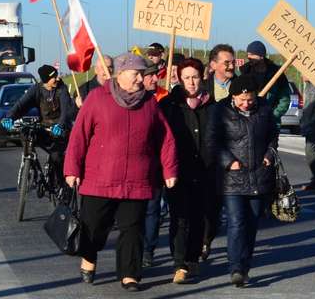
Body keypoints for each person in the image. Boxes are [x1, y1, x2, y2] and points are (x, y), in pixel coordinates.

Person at [64, 53, 178, 292]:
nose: (141, 78)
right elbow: (79, 137)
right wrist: (72, 168)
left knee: (132, 227)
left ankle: (130, 273)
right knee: (93, 225)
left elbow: (165, 139)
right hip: (100, 177)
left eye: (142, 74)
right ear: (121, 74)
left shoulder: (149, 103)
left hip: (136, 178)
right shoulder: (97, 98)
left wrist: (169, 168)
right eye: (136, 73)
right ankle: (89, 257)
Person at [205, 74, 279, 288]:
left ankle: (245, 265)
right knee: (236, 222)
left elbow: (273, 136)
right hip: (232, 177)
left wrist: (269, 155)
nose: (246, 104)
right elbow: (212, 141)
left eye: (250, 99)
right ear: (233, 96)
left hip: (258, 175)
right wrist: (228, 161)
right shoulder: (220, 111)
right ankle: (235, 267)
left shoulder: (264, 109)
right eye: (241, 100)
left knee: (252, 223)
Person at [160, 58, 214, 283]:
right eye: (187, 78)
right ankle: (179, 263)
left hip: (206, 171)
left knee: (200, 217)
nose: (191, 82)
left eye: (195, 77)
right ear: (179, 79)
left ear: (202, 77)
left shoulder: (212, 106)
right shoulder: (169, 105)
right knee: (180, 217)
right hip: (177, 170)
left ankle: (193, 259)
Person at [3, 64, 76, 178]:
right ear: (46, 80)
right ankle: (30, 162)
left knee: (56, 157)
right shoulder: (36, 89)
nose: (57, 78)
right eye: (54, 77)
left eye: (56, 75)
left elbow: (66, 110)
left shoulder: (62, 89)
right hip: (44, 126)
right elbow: (21, 104)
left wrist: (60, 125)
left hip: (60, 127)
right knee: (26, 132)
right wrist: (10, 117)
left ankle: (60, 183)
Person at [201, 44, 236, 260]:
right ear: (213, 65)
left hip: (235, 157)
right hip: (209, 156)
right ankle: (205, 240)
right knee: (210, 207)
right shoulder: (203, 88)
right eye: (227, 62)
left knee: (234, 209)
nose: (231, 65)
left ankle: (237, 252)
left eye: (233, 61)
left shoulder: (242, 87)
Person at [141, 58, 170, 268]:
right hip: (136, 164)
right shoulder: (131, 99)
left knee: (153, 210)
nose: (154, 79)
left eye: (155, 74)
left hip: (157, 164)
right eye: (150, 75)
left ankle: (148, 251)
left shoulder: (164, 97)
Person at [239, 40, 291, 127]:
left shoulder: (276, 73)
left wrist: (273, 115)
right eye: (248, 54)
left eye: (252, 54)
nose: (249, 57)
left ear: (261, 56)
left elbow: (284, 99)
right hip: (250, 121)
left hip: (271, 123)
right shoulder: (245, 71)